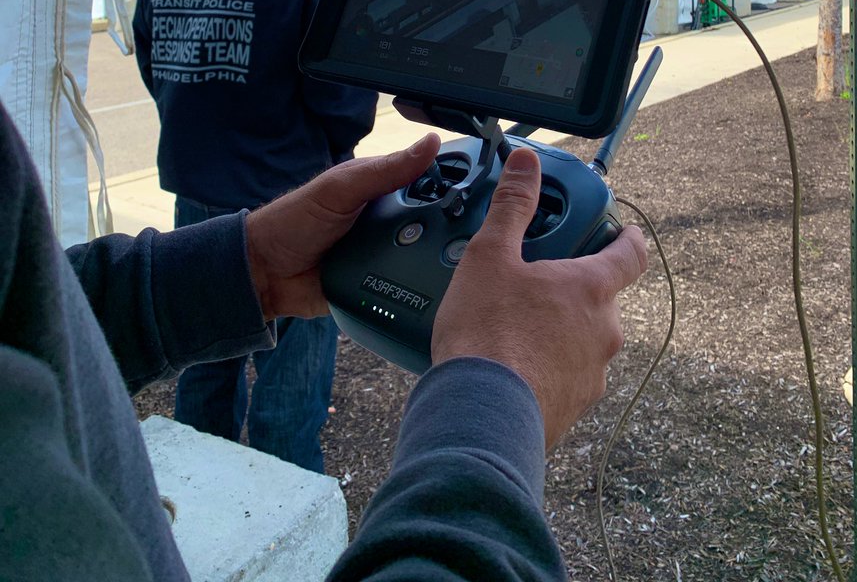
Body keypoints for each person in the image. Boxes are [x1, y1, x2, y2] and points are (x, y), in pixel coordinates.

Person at [0, 100, 647, 582]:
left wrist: (247, 268)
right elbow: (340, 105)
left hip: (200, 181)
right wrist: (497, 396)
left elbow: (18, 302)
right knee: (289, 404)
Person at [132, 0, 377, 471]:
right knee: (289, 387)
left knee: (204, 367)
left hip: (196, 206)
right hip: (293, 203)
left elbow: (155, 72)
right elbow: (344, 100)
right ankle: (286, 530)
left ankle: (206, 515)